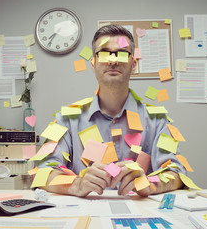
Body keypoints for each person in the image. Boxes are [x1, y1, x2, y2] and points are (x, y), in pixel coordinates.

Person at [39, 24, 187, 197]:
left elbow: (177, 173)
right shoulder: (66, 119)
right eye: (104, 53)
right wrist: (76, 184)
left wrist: (151, 184)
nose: (113, 60)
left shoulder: (158, 120)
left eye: (122, 54)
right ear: (93, 64)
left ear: (134, 64)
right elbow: (42, 171)